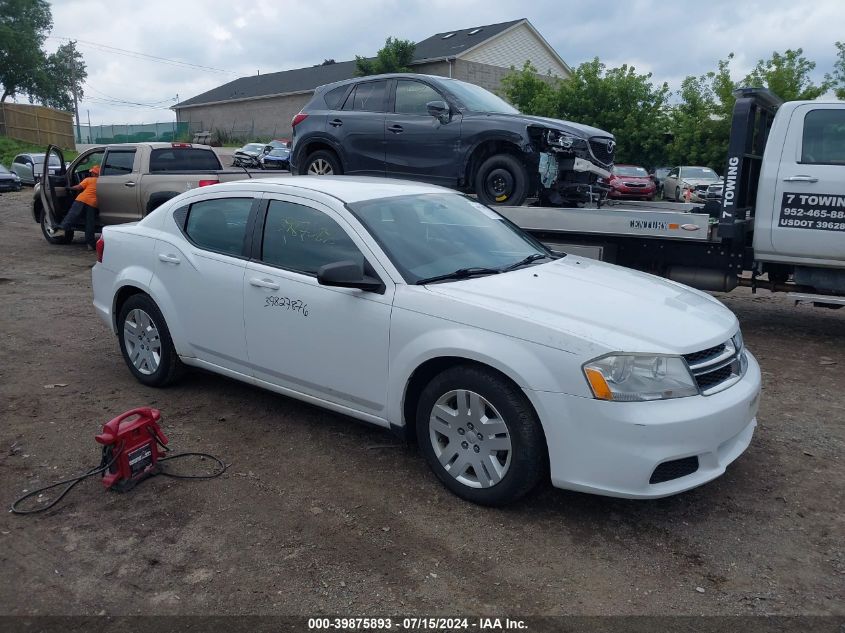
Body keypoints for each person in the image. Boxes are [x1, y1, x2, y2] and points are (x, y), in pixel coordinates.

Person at [59, 164, 100, 250]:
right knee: (90, 224)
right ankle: (90, 244)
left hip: (81, 200)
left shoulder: (88, 179)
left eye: (92, 172)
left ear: (93, 174)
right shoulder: (101, 182)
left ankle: (61, 229)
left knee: (72, 216)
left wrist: (69, 188)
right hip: (92, 204)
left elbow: (78, 187)